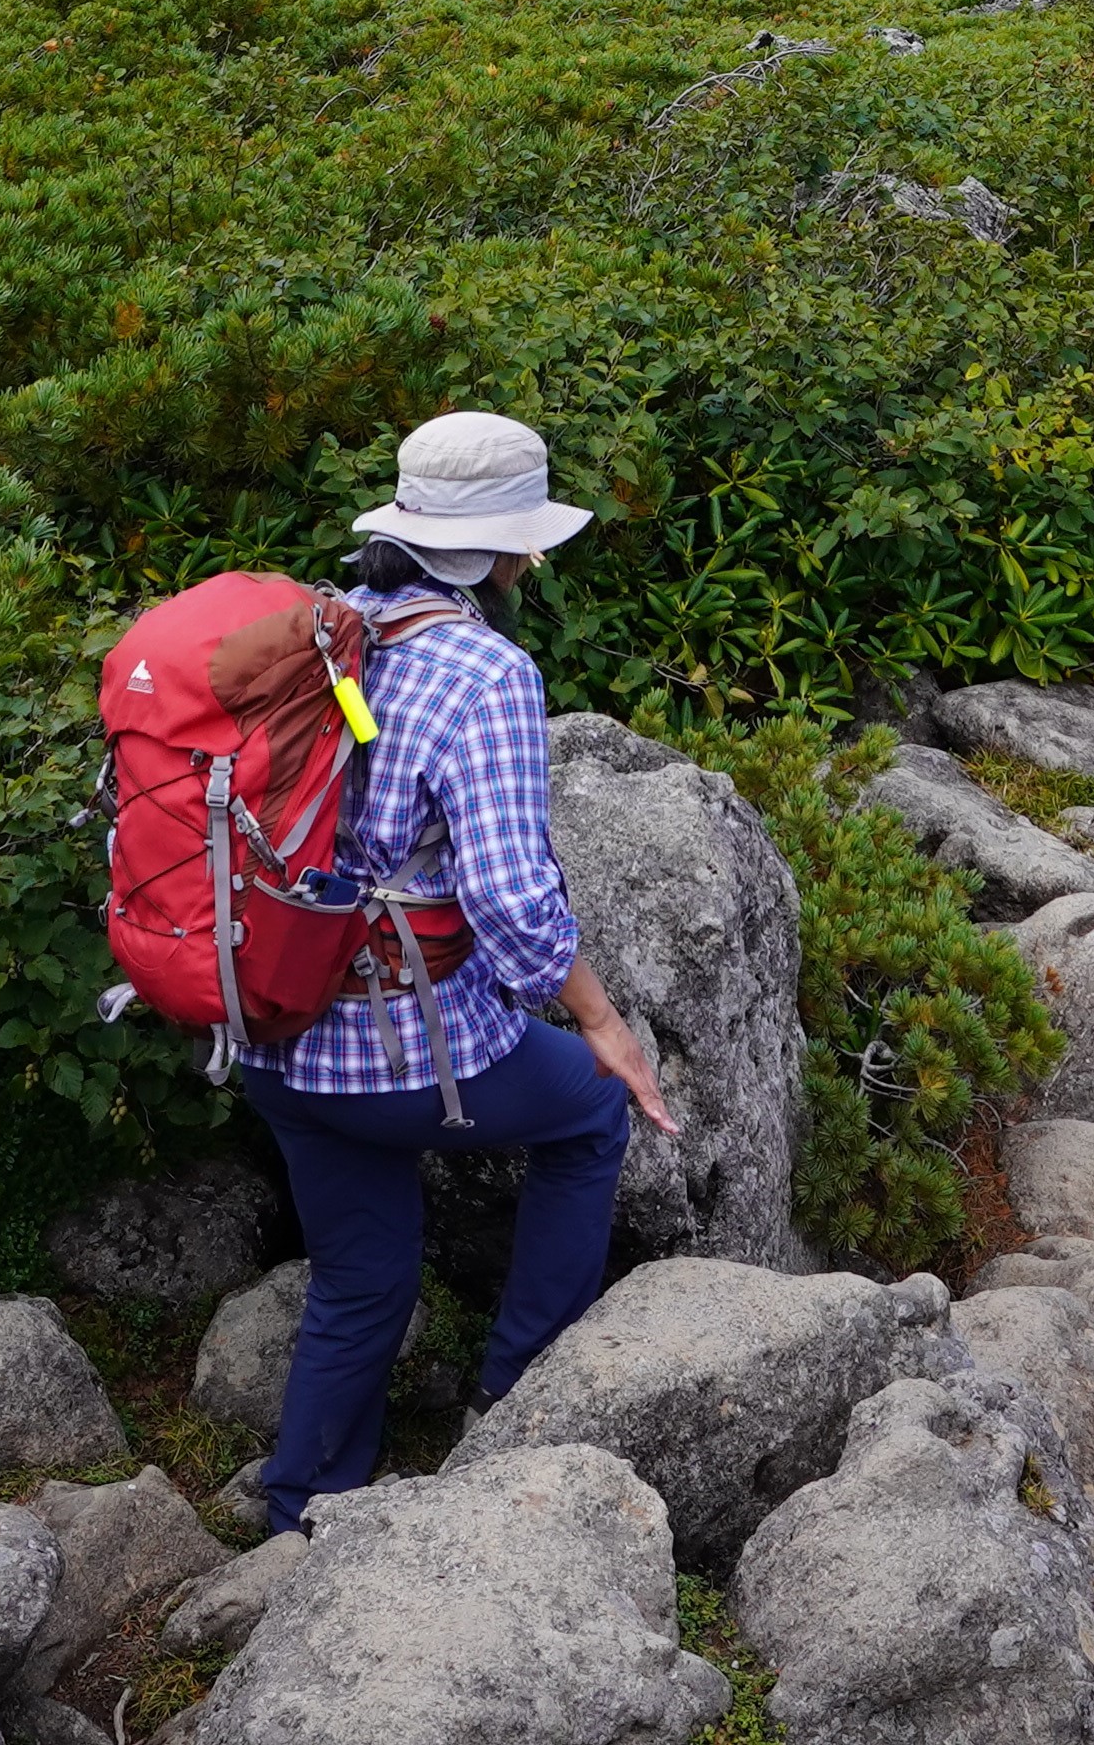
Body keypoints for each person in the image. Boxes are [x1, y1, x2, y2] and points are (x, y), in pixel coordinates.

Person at [239, 411, 679, 1539]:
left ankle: (299, 1511)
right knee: (587, 1115)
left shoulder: (308, 637)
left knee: (362, 1275)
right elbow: (512, 904)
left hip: (268, 1032)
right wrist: (604, 1024)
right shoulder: (484, 671)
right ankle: (518, 1398)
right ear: (500, 550)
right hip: (404, 1058)